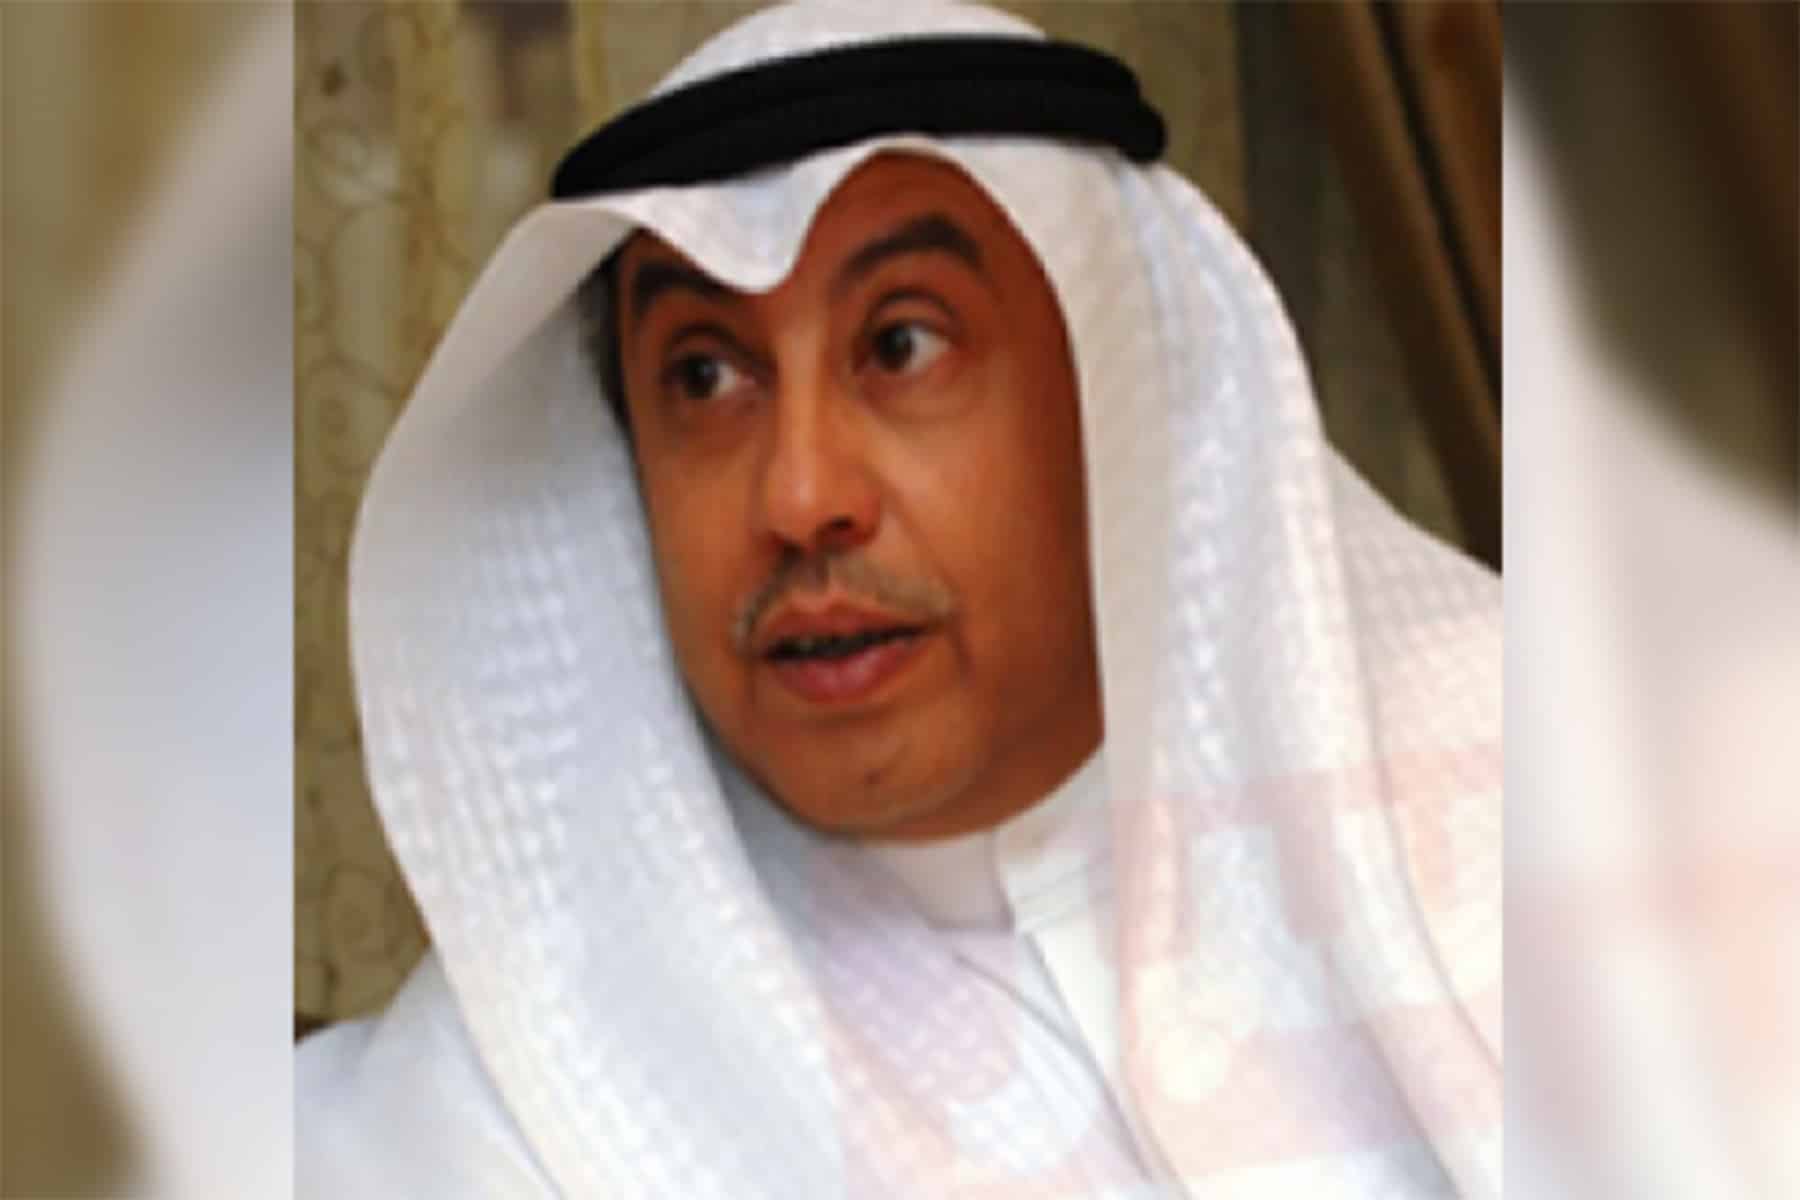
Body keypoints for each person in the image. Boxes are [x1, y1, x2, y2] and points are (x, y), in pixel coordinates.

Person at [297, 2, 1502, 1196]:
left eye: (903, 346)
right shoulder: (485, 1113)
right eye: (704, 376)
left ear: (1114, 389)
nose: (800, 495)